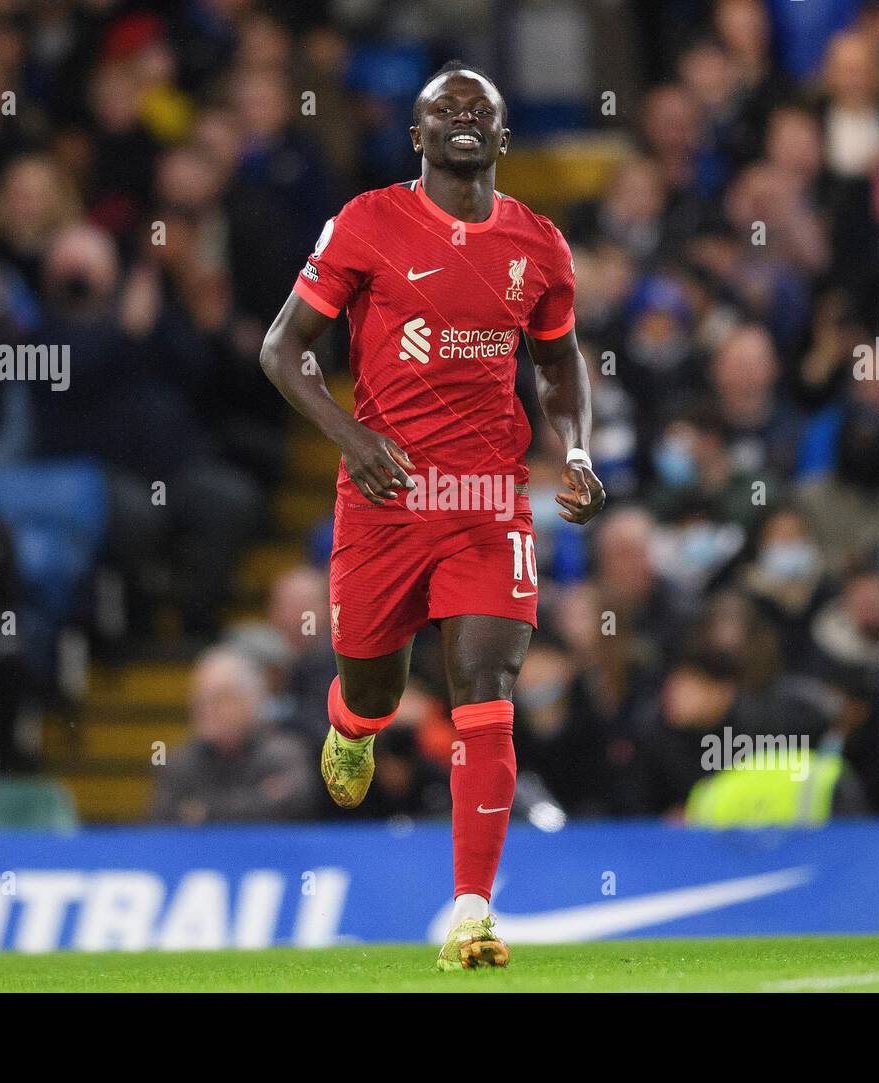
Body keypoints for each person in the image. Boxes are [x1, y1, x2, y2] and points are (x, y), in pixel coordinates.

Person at [260, 61, 606, 971]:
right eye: (441, 109)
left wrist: (571, 450)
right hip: (383, 496)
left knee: (485, 689)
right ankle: (351, 722)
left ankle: (471, 911)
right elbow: (283, 348)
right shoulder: (368, 221)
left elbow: (561, 365)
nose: (460, 118)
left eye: (478, 110)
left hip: (488, 499)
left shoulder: (540, 246)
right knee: (375, 686)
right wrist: (349, 435)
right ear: (416, 137)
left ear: (500, 138)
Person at [149, 648, 319, 825]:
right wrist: (256, 799)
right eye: (199, 699)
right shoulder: (180, 762)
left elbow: (292, 807)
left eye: (220, 698)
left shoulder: (284, 753)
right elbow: (163, 820)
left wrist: (203, 812)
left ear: (252, 700)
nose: (206, 709)